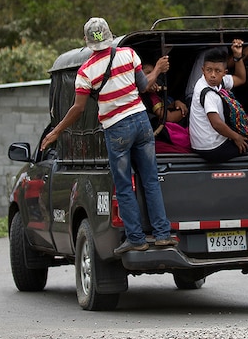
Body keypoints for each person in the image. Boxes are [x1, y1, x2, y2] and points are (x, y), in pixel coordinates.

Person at [41, 17, 176, 255]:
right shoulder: (129, 55)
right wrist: (157, 69)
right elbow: (144, 86)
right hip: (142, 123)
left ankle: (136, 238)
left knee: (124, 186)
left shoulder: (85, 72)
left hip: (117, 129)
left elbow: (78, 109)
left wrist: (56, 131)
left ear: (86, 41)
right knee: (151, 181)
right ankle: (163, 235)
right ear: (109, 34)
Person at [189, 42, 248, 162]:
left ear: (225, 73)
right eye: (209, 70)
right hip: (211, 147)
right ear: (203, 70)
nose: (213, 75)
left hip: (208, 143)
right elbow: (217, 124)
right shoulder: (206, 91)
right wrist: (237, 137)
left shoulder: (220, 81)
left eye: (217, 71)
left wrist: (238, 57)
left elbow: (241, 79)